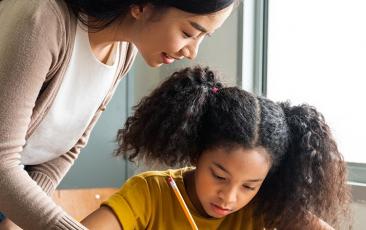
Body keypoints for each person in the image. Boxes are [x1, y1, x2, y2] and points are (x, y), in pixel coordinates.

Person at [0, 0, 235, 229]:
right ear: (142, 6)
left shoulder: (124, 50)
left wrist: (16, 218)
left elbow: (67, 146)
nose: (193, 51)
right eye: (188, 32)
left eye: (204, 37)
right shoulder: (42, 19)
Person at [81, 66, 351, 229]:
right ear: (198, 152)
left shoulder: (265, 205)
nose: (229, 198)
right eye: (219, 176)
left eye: (249, 185)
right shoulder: (150, 194)